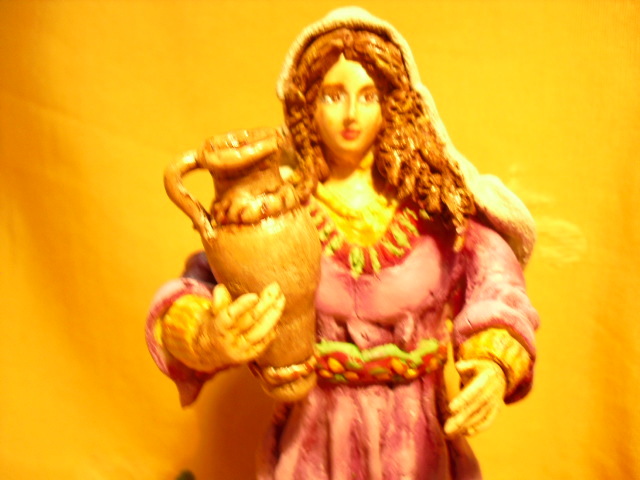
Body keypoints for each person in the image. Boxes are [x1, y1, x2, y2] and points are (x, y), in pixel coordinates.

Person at [146, 7, 539, 480]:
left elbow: (498, 285)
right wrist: (208, 336)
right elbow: (194, 292)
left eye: (368, 96)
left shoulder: (436, 207)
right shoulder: (278, 215)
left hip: (416, 446)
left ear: (392, 103)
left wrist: (494, 362)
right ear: (308, 104)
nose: (351, 114)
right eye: (334, 95)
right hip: (314, 441)